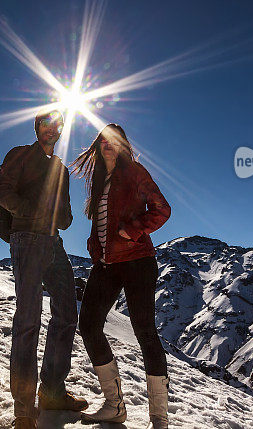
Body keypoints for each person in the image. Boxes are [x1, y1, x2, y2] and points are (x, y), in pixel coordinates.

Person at [0, 109, 88, 429]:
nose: (52, 130)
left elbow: (67, 215)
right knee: (28, 318)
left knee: (66, 313)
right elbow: (0, 190)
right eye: (46, 125)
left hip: (53, 241)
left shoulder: (60, 168)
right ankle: (23, 408)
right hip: (26, 240)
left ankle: (52, 391)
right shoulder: (19, 155)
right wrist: (31, 209)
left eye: (58, 126)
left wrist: (60, 214)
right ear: (37, 129)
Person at [71, 123, 172, 429]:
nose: (108, 144)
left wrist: (132, 231)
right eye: (103, 140)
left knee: (145, 332)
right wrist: (94, 243)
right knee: (88, 325)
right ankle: (115, 406)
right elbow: (100, 221)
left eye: (114, 140)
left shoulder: (135, 172)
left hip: (138, 261)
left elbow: (162, 209)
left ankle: (159, 419)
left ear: (124, 145)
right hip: (107, 264)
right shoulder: (100, 180)